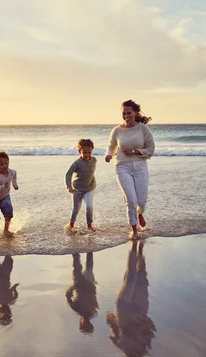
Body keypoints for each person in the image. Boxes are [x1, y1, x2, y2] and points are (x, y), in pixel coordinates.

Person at [105, 100, 155, 240]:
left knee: (141, 200)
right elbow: (111, 145)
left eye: (129, 113)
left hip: (140, 166)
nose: (126, 116)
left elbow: (150, 149)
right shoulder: (117, 130)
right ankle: (134, 229)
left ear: (135, 113)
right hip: (122, 166)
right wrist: (109, 154)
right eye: (124, 113)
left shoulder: (143, 129)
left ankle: (139, 213)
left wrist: (134, 151)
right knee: (131, 200)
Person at [106, 241, 156, 356]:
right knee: (141, 276)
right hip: (140, 310)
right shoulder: (145, 345)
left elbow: (112, 327)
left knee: (131, 276)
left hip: (124, 308)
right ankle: (140, 251)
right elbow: (150, 326)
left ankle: (134, 245)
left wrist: (111, 321)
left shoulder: (121, 345)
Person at [65, 139, 97, 232]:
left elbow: (90, 171)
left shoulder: (94, 160)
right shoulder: (77, 163)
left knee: (89, 206)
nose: (87, 155)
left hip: (89, 188)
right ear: (79, 151)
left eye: (89, 152)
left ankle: (89, 225)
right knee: (76, 208)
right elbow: (68, 174)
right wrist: (69, 186)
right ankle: (71, 224)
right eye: (84, 152)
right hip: (77, 190)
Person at [65, 252, 98, 334]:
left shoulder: (89, 311)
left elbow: (68, 297)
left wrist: (73, 287)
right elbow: (68, 297)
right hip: (85, 284)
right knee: (84, 265)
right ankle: (86, 246)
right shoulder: (90, 312)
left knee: (82, 265)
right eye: (87, 324)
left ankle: (82, 245)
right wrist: (73, 287)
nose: (85, 322)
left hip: (81, 285)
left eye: (84, 324)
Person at [0, 255, 19, 326]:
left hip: (3, 279)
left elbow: (15, 295)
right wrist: (13, 288)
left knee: (8, 260)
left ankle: (3, 248)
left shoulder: (10, 300)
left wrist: (14, 287)